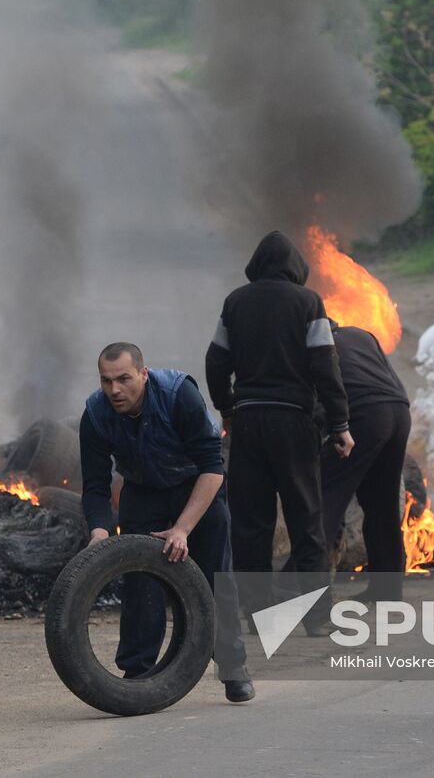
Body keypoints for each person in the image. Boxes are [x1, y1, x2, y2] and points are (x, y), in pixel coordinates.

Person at [79, 342, 254, 703]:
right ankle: (138, 673)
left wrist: (183, 529)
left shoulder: (178, 395)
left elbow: (212, 467)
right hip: (144, 492)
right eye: (107, 381)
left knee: (214, 581)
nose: (115, 390)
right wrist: (98, 530)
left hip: (197, 487)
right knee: (142, 582)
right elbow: (95, 487)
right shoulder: (96, 414)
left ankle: (233, 669)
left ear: (143, 374)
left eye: (124, 379)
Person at [204, 231, 353, 633]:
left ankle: (256, 620)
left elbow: (216, 362)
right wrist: (339, 424)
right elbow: (325, 365)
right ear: (295, 269)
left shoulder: (235, 302)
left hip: (249, 423)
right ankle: (318, 620)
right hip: (294, 424)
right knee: (307, 522)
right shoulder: (308, 302)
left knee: (251, 526)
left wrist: (227, 408)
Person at [318, 319, 411, 586]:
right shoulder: (361, 334)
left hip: (365, 415)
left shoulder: (317, 345)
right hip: (399, 413)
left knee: (326, 499)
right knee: (383, 505)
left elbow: (322, 397)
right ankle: (387, 590)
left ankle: (293, 587)